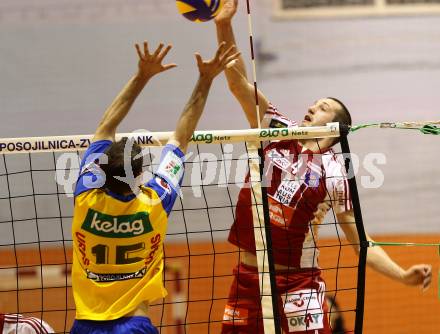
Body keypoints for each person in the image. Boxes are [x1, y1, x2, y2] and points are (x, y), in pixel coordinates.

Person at [213, 1, 433, 333]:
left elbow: (361, 243)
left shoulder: (336, 173)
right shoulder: (275, 128)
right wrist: (222, 25)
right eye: (314, 103)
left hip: (298, 285)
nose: (312, 107)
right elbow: (236, 83)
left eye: (323, 107)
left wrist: (402, 276)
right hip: (248, 280)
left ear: (336, 126)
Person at [69, 41, 239, 333]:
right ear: (138, 176)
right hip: (134, 324)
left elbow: (105, 126)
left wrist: (141, 76)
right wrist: (206, 79)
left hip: (86, 324)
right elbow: (181, 136)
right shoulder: (156, 199)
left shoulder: (86, 195)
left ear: (100, 171)